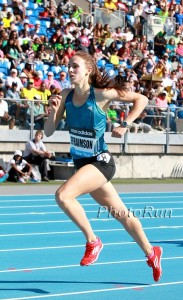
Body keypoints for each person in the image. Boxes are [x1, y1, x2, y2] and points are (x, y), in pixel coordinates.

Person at [44, 50, 163, 282]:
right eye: (68, 66)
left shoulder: (100, 94)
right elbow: (48, 131)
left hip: (100, 162)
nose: (69, 70)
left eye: (75, 66)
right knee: (122, 214)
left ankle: (93, 241)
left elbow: (143, 99)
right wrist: (52, 111)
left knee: (63, 195)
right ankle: (152, 253)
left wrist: (125, 124)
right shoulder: (66, 95)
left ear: (88, 70)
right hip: (83, 165)